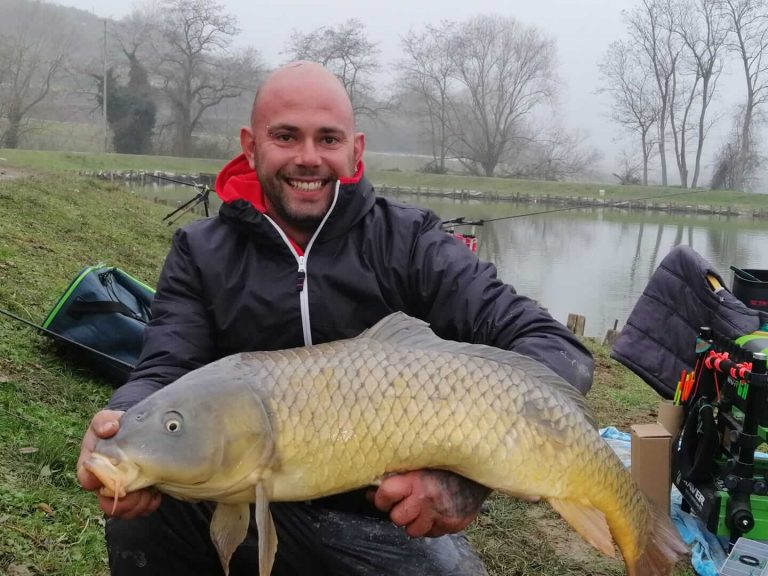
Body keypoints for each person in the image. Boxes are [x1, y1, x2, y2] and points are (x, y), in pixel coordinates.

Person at [77, 61, 594, 576]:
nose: (308, 158)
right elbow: (164, 367)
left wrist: (463, 482)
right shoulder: (201, 251)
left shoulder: (409, 243)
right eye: (285, 136)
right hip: (235, 484)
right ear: (250, 145)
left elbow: (554, 349)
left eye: (328, 139)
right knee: (139, 514)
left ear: (356, 150)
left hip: (381, 518)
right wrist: (123, 419)